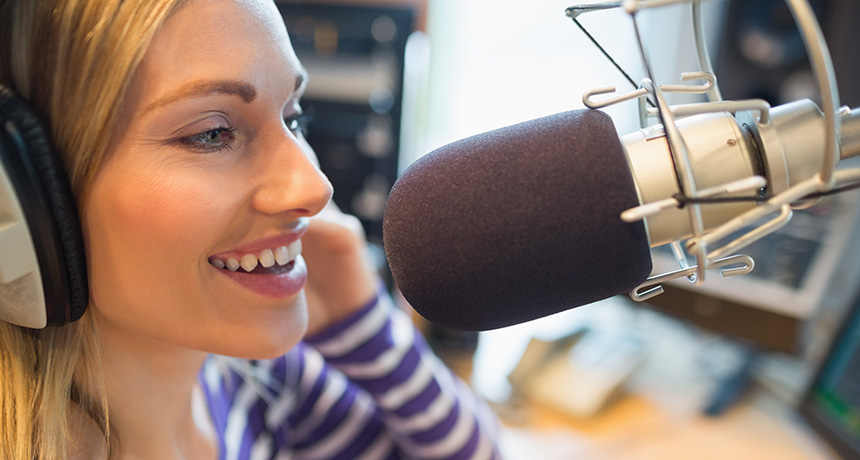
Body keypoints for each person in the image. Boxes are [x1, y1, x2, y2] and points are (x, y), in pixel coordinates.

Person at [0, 0, 502, 458]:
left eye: (293, 117)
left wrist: (364, 322)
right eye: (212, 133)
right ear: (27, 195)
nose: (314, 187)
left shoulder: (253, 383)